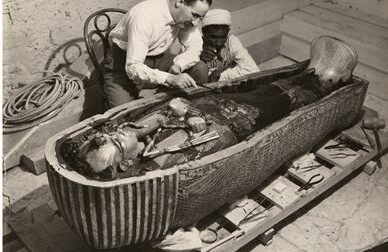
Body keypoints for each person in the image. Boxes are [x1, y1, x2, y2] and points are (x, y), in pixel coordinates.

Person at [62, 36, 358, 180]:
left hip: (214, 104)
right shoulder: (155, 167)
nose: (119, 130)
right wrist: (188, 122)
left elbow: (176, 103)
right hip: (237, 123)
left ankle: (312, 72)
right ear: (126, 163)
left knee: (265, 88)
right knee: (283, 100)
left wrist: (186, 114)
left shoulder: (138, 131)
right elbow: (205, 151)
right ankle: (324, 81)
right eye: (116, 139)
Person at [103, 0, 212, 108]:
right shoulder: (145, 16)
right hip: (123, 66)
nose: (195, 23)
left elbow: (195, 45)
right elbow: (133, 67)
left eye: (201, 18)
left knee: (200, 69)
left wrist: (179, 65)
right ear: (180, 2)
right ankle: (162, 103)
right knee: (124, 115)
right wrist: (169, 78)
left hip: (157, 60)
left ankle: (187, 111)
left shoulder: (184, 15)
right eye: (195, 15)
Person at [198, 9, 260, 82]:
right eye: (213, 37)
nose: (218, 43)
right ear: (204, 33)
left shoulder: (231, 41)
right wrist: (200, 60)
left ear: (228, 33)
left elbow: (254, 71)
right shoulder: (195, 44)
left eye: (223, 37)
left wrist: (219, 76)